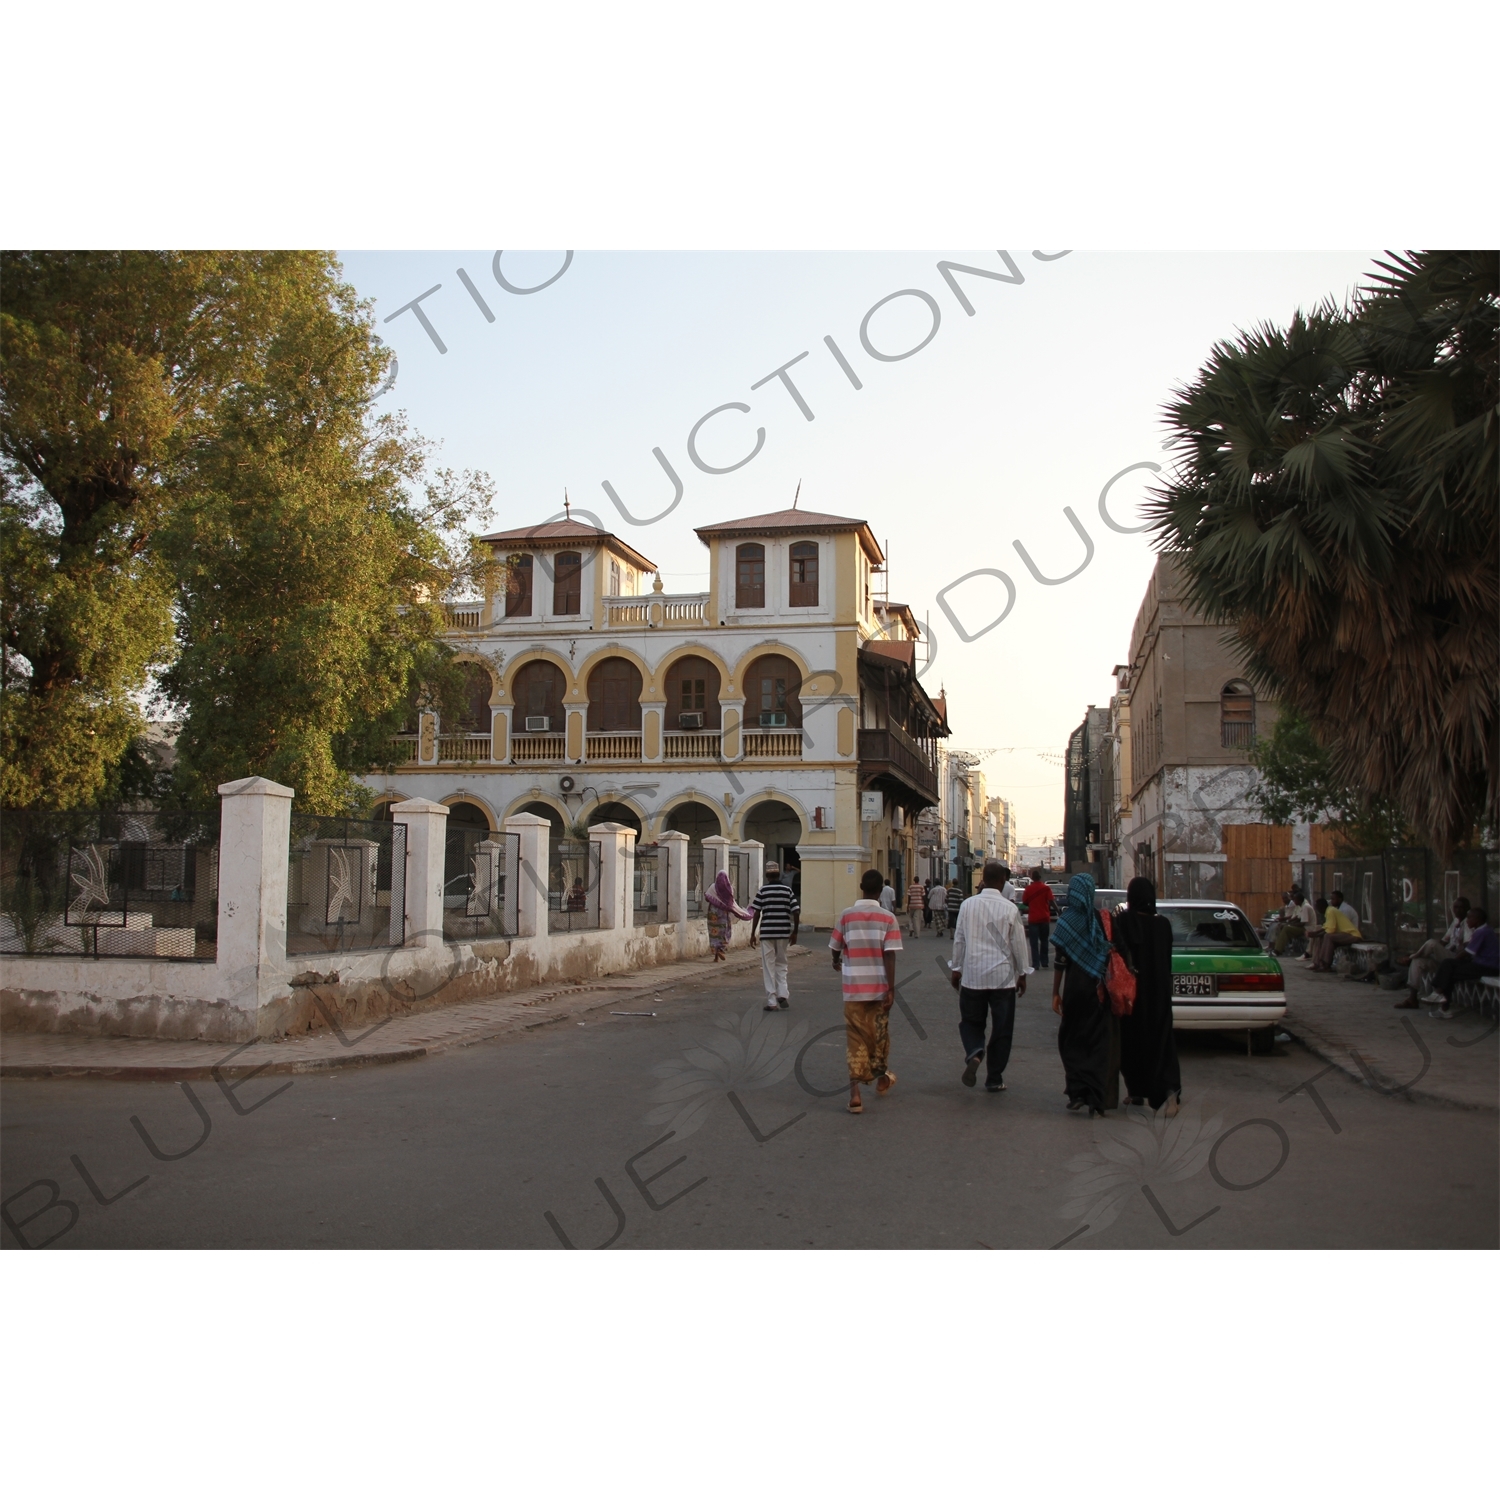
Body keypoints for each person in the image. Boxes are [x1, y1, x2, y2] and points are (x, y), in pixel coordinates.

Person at [949, 860, 1030, 1093]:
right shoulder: (1009, 909)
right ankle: (994, 1077)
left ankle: (975, 1051)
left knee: (971, 1021)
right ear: (1003, 881)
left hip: (973, 976)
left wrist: (956, 968)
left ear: (982, 879)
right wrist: (1022, 973)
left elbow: (960, 939)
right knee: (1002, 1028)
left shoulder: (968, 905)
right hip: (1003, 979)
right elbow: (1018, 945)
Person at [830, 869, 903, 1114]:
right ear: (881, 891)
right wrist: (891, 989)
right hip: (880, 989)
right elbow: (890, 955)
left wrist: (835, 959)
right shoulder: (888, 918)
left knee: (855, 1039)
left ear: (860, 887)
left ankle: (855, 1094)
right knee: (878, 1037)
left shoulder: (846, 916)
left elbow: (836, 946)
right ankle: (881, 1077)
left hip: (853, 989)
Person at [1050, 871, 1117, 1117]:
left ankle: (1077, 1091)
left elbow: (1060, 961)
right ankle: (1096, 1096)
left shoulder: (1068, 920)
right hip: (1100, 992)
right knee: (1097, 1042)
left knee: (1071, 1039)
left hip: (1074, 991)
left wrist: (1055, 993)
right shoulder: (1103, 920)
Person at [1115, 876, 1182, 1115]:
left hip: (1133, 997)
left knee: (1132, 1044)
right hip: (1159, 994)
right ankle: (1169, 1095)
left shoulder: (1124, 921)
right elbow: (1166, 960)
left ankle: (1135, 1091)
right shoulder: (1163, 925)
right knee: (1162, 1044)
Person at [1398, 897, 1470, 1008]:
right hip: (1446, 957)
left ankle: (1411, 957)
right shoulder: (1455, 922)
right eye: (1456, 907)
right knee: (1418, 961)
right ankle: (1412, 998)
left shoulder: (1469, 923)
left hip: (1457, 958)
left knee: (1431, 943)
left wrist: (1436, 949)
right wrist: (1433, 953)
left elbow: (1467, 948)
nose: (1458, 910)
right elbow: (1443, 941)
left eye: (1461, 908)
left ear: (1467, 909)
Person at [1428, 908, 1499, 1020]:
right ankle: (1441, 1002)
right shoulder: (1483, 930)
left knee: (1448, 966)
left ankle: (1439, 996)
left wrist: (1455, 960)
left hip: (1488, 967)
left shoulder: (1482, 932)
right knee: (1449, 971)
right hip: (1481, 964)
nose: (1467, 920)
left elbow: (1467, 952)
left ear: (1478, 920)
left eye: (1470, 917)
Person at [750, 861, 799, 1010]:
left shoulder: (763, 891)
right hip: (783, 932)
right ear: (778, 874)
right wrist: (795, 931)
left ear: (767, 875)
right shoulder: (787, 890)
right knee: (782, 963)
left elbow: (757, 912)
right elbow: (796, 911)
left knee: (768, 965)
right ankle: (782, 993)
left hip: (767, 933)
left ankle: (772, 1001)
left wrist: (753, 933)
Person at [1310, 889, 1361, 971]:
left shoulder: (1339, 910)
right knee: (1322, 937)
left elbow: (1331, 930)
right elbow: (1327, 927)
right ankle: (1318, 962)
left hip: (1352, 935)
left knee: (1328, 936)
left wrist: (1315, 934)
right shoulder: (1331, 910)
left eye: (1333, 899)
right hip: (1343, 934)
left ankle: (1325, 963)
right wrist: (1315, 934)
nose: (1332, 901)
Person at [704, 870, 750, 962]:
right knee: (723, 932)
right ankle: (721, 950)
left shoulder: (713, 887)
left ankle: (716, 955)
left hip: (712, 914)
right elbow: (730, 903)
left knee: (714, 933)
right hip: (723, 914)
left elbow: (707, 898)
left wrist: (715, 900)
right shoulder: (729, 889)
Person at [1021, 867, 1055, 970]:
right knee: (1044, 940)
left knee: (1033, 942)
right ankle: (1044, 962)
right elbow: (1051, 901)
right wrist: (1058, 911)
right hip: (1044, 918)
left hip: (1033, 919)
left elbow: (1025, 902)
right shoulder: (1046, 888)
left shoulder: (1028, 889)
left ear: (1032, 878)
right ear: (1040, 877)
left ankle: (1035, 964)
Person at [1271, 885, 1315, 956]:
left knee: (1286, 929)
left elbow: (1303, 923)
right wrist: (1289, 923)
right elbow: (1298, 917)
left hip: (1307, 928)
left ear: (1299, 900)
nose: (1293, 901)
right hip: (1303, 927)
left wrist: (1291, 925)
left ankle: (1277, 950)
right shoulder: (1301, 906)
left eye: (1294, 900)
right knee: (1285, 928)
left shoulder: (1305, 907)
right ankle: (1278, 948)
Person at [905, 876, 926, 940]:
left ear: (914, 880)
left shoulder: (911, 887)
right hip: (919, 904)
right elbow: (923, 896)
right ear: (918, 880)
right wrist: (924, 903)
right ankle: (916, 934)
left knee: (911, 918)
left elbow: (909, 896)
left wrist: (908, 905)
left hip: (912, 904)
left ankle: (911, 928)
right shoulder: (921, 887)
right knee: (916, 919)